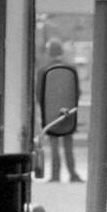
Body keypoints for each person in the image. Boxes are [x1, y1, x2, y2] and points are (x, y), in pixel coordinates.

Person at [37, 39, 82, 183]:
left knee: (54, 144)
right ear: (61, 52)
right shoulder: (71, 69)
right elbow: (77, 91)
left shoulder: (43, 70)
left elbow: (39, 92)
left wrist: (45, 108)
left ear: (49, 53)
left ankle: (55, 175)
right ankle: (72, 174)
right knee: (68, 145)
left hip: (50, 112)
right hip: (68, 111)